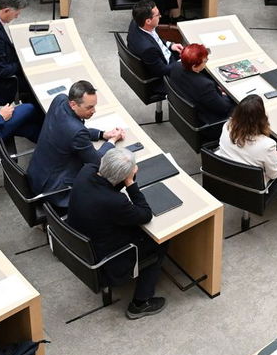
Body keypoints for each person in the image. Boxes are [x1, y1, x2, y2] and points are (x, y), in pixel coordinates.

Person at [68, 148, 167, 318]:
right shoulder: (115, 202)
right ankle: (140, 303)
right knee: (160, 242)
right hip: (108, 255)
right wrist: (131, 183)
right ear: (124, 177)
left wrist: (125, 176)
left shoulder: (86, 172)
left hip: (83, 239)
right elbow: (145, 215)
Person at [28, 80, 125, 207]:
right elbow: (98, 161)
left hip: (37, 175)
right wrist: (112, 141)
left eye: (94, 106)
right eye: (89, 107)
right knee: (115, 178)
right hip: (56, 189)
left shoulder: (60, 99)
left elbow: (70, 130)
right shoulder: (76, 132)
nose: (94, 111)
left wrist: (102, 134)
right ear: (73, 104)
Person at [165, 43, 232, 131]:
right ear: (194, 67)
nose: (207, 60)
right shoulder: (205, 86)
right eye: (204, 61)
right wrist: (225, 94)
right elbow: (224, 108)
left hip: (187, 113)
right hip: (209, 123)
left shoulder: (175, 67)